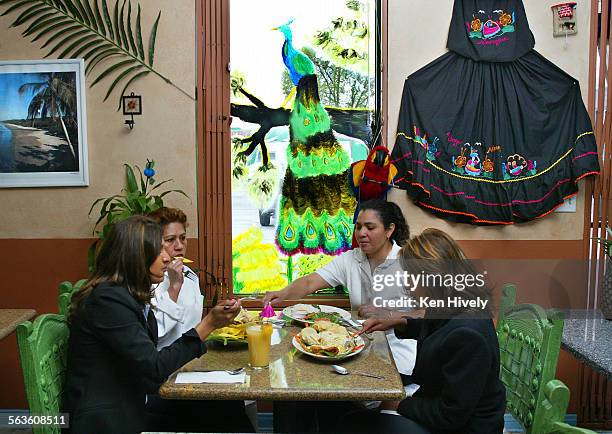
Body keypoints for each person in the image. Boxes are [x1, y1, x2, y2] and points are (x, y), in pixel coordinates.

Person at [62, 216, 247, 434]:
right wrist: (208, 324)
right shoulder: (108, 301)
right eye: (159, 250)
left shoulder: (128, 294)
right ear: (135, 256)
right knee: (222, 413)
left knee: (228, 403)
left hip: (131, 400)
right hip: (105, 418)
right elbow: (154, 368)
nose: (168, 257)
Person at [346, 228, 506, 434]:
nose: (407, 284)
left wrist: (400, 404)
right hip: (444, 407)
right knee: (357, 416)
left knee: (357, 422)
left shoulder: (468, 335)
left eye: (410, 277)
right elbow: (437, 329)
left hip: (465, 428)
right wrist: (398, 322)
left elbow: (450, 415)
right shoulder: (454, 303)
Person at [263, 198, 416, 377]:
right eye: (358, 227)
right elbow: (310, 282)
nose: (361, 233)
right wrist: (281, 294)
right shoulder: (350, 259)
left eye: (370, 227)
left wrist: (390, 315)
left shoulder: (408, 261)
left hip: (397, 357)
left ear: (390, 230)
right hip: (355, 349)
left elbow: (431, 313)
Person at [147, 207, 203, 350]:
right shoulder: (151, 279)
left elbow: (193, 325)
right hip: (163, 364)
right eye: (170, 240)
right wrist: (174, 287)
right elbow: (154, 335)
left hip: (191, 360)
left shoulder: (190, 275)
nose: (179, 246)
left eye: (183, 238)